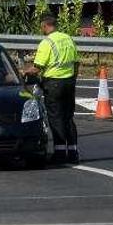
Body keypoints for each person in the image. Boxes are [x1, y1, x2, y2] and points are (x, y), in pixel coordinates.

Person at [25, 15, 79, 162]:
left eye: (41, 26)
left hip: (53, 84)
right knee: (68, 117)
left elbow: (37, 68)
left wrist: (23, 72)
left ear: (45, 25)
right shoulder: (68, 38)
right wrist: (73, 79)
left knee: (56, 118)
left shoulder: (46, 42)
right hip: (69, 82)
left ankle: (60, 153)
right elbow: (76, 62)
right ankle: (73, 153)